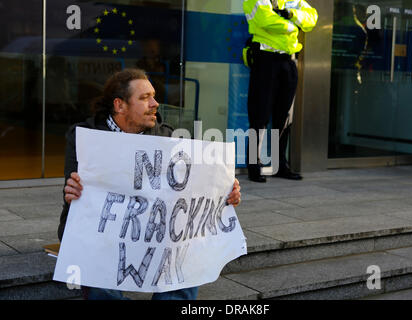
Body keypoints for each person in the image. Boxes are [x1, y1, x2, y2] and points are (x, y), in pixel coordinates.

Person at [57, 68, 242, 300]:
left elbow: (193, 185)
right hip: (102, 233)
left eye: (153, 96)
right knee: (98, 278)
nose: (155, 103)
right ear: (120, 105)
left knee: (185, 264)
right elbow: (74, 190)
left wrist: (224, 189)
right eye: (144, 98)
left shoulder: (167, 136)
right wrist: (72, 192)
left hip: (154, 230)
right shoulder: (85, 137)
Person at [243, 0, 318, 182]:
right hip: (265, 60)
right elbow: (266, 21)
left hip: (289, 61)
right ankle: (254, 166)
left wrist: (292, 15)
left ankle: (280, 165)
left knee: (284, 117)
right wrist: (293, 26)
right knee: (259, 115)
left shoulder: (292, 1)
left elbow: (312, 18)